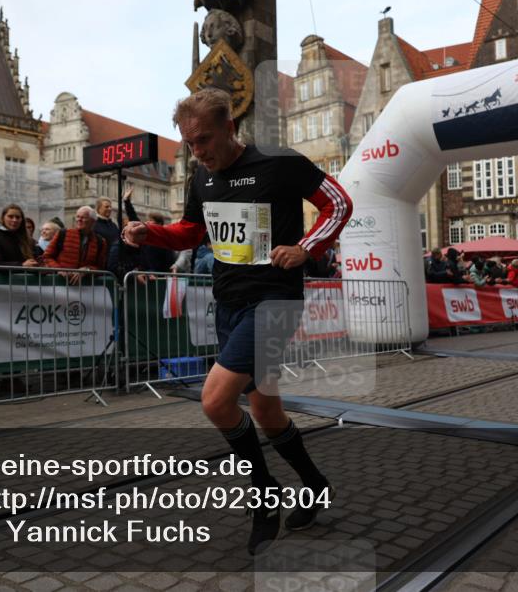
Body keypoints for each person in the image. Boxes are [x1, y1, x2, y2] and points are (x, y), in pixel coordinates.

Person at [122, 88, 352, 554]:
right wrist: (152, 232)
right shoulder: (201, 179)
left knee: (214, 400)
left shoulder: (281, 162)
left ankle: (265, 492)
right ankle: (314, 482)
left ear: (230, 127)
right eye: (189, 143)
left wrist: (307, 248)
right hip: (228, 304)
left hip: (273, 304)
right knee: (266, 412)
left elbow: (339, 203)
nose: (198, 152)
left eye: (204, 140)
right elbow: (192, 231)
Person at [41, 206, 108, 284]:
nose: (79, 220)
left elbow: (100, 267)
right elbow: (47, 256)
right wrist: (59, 269)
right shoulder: (63, 233)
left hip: (85, 288)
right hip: (59, 284)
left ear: (92, 221)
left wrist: (87, 270)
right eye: (77, 217)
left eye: (83, 217)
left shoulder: (100, 242)